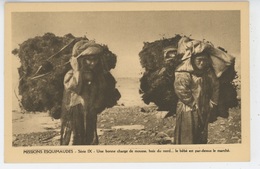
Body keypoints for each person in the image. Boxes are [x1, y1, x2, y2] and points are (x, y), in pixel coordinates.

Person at [60, 40, 108, 145]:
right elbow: (74, 87)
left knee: (90, 137)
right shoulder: (71, 74)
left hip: (90, 111)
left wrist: (96, 105)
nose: (93, 63)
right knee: (75, 138)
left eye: (95, 60)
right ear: (81, 60)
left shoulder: (96, 75)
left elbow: (101, 91)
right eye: (89, 60)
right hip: (75, 111)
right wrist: (77, 71)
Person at [174, 50, 219, 144]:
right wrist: (193, 104)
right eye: (199, 60)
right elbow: (181, 90)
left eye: (204, 60)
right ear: (192, 60)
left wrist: (213, 101)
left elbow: (215, 86)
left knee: (201, 133)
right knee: (187, 134)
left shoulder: (208, 72)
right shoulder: (184, 73)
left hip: (203, 106)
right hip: (187, 108)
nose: (202, 63)